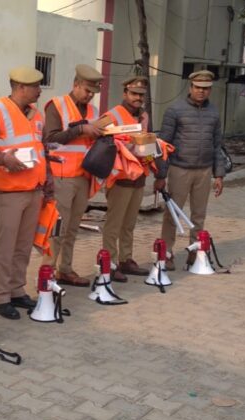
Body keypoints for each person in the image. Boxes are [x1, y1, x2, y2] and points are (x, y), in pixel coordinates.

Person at [0, 66, 50, 319]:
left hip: (34, 190)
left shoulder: (36, 114)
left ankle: (17, 290)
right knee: (7, 247)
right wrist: (3, 159)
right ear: (20, 87)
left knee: (23, 246)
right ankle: (2, 297)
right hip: (9, 193)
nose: (39, 91)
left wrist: (47, 187)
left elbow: (42, 150)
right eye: (36, 86)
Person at [99, 76, 166, 281]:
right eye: (134, 94)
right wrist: (126, 148)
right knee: (114, 224)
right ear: (125, 93)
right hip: (120, 178)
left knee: (129, 224)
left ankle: (125, 259)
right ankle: (109, 264)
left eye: (141, 95)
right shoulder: (112, 115)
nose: (138, 98)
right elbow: (100, 141)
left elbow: (148, 142)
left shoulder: (143, 116)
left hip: (138, 178)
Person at [42, 64, 103, 287]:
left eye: (93, 92)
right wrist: (80, 130)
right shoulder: (56, 105)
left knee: (72, 228)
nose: (89, 96)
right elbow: (50, 139)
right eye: (87, 91)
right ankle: (47, 273)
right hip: (61, 177)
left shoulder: (93, 112)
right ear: (76, 84)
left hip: (84, 176)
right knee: (57, 229)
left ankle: (65, 270)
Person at [157, 70, 225, 270]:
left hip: (204, 170)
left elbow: (217, 145)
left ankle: (195, 252)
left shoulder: (214, 112)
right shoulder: (175, 110)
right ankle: (166, 253)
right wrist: (161, 175)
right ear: (190, 87)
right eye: (198, 87)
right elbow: (163, 145)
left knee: (199, 215)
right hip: (179, 169)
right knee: (172, 214)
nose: (201, 91)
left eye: (206, 88)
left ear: (210, 90)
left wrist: (219, 174)